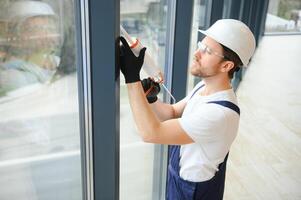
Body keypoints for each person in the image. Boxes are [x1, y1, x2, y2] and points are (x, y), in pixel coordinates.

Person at [119, 19, 256, 200]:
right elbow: (172, 113)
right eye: (201, 45)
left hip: (193, 192)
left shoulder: (219, 113)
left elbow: (150, 133)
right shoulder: (204, 88)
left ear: (226, 66)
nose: (197, 53)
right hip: (180, 180)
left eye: (207, 51)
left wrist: (131, 78)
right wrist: (151, 99)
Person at [0, 1, 61, 96]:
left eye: (50, 28)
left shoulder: (57, 61)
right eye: (37, 29)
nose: (46, 35)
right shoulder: (13, 78)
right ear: (16, 36)